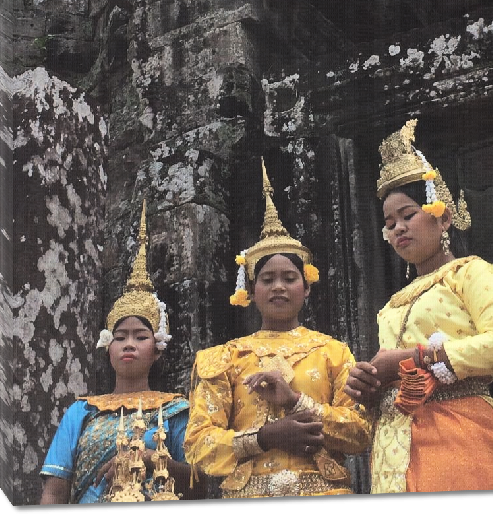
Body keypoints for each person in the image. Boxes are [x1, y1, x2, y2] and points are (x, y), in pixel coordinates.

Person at [344, 119, 493, 493]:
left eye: (408, 214)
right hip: (396, 445)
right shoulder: (392, 306)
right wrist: (369, 388)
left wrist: (414, 355)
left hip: (460, 431)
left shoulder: (472, 273)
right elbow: (392, 375)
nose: (398, 228)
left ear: (443, 216)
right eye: (389, 222)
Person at [183, 160, 371, 498]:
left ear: (307, 287)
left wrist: (297, 402)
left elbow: (359, 433)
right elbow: (197, 445)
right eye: (267, 280)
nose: (278, 287)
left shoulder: (333, 352)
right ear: (251, 291)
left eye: (289, 278)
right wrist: (264, 438)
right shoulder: (225, 357)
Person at [39, 201, 194, 504]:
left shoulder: (176, 411)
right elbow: (55, 490)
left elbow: (198, 486)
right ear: (107, 347)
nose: (129, 344)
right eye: (120, 336)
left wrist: (150, 459)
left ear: (157, 349)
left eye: (140, 336)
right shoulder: (81, 413)